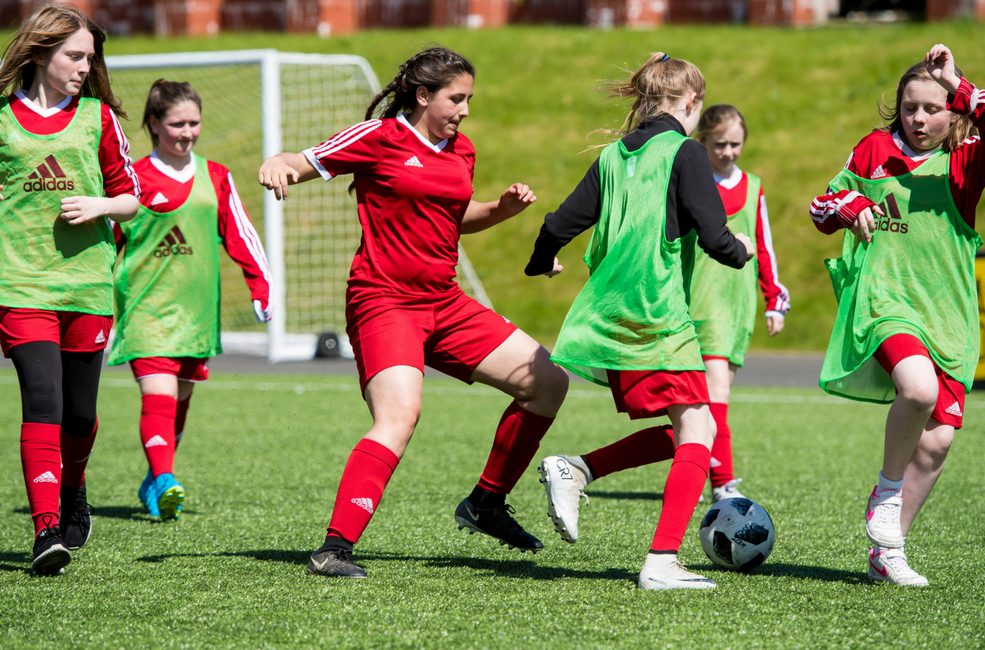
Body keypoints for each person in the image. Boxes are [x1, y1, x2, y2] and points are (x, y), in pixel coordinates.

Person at [258, 47, 568, 579]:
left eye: (469, 98)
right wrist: (275, 165)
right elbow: (296, 161)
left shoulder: (461, 149)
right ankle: (334, 548)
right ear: (423, 96)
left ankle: (486, 504)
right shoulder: (376, 138)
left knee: (548, 382)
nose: (465, 109)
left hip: (445, 302)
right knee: (399, 417)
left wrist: (500, 210)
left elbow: (453, 215)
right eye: (456, 98)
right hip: (383, 300)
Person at [526, 53, 753, 590]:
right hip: (657, 315)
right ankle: (661, 561)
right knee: (701, 428)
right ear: (692, 102)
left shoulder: (612, 156)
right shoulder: (685, 153)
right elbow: (717, 238)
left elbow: (560, 222)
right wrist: (742, 250)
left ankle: (576, 469)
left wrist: (542, 259)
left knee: (685, 433)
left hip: (611, 316)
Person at [808, 44, 985, 586]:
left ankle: (888, 551)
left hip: (948, 314)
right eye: (909, 107)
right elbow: (823, 205)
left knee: (938, 440)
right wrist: (847, 206)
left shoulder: (969, 157)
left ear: (953, 112)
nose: (918, 118)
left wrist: (958, 82)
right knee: (917, 391)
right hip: (886, 302)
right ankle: (886, 495)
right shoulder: (873, 148)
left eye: (933, 108)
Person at [0, 5, 140, 576]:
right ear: (40, 53)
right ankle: (46, 529)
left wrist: (101, 206)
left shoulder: (99, 119)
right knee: (43, 402)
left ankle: (74, 484)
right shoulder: (2, 119)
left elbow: (132, 196)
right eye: (74, 56)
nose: (85, 67)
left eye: (89, 57)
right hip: (20, 283)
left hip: (86, 286)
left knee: (80, 417)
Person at [108, 80, 272, 520]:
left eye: (194, 123)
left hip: (196, 311)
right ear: (154, 125)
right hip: (145, 308)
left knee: (178, 402)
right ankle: (165, 479)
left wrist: (262, 284)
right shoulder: (132, 178)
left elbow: (240, 233)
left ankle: (154, 479)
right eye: (177, 123)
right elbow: (106, 241)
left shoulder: (216, 175)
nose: (187, 132)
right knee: (157, 396)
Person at [687, 104, 790, 502]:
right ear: (703, 141)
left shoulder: (753, 186)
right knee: (705, 397)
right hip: (696, 298)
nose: (728, 152)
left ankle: (709, 472)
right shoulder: (691, 180)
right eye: (719, 144)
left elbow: (763, 245)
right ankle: (715, 478)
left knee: (715, 396)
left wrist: (774, 299)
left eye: (735, 144)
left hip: (734, 303)